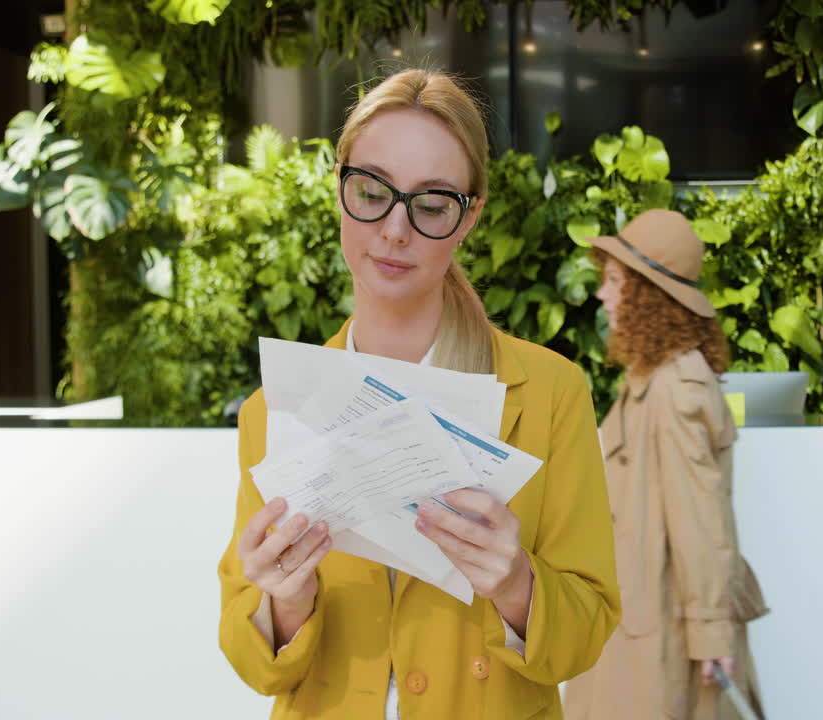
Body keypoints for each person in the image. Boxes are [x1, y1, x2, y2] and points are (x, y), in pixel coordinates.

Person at [217, 68, 620, 720]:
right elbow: (248, 654)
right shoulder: (276, 408)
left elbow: (587, 632)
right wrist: (284, 601)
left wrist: (516, 583)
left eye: (431, 204)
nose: (396, 230)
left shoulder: (548, 394)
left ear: (469, 218)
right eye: (372, 190)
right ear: (341, 190)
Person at [563, 209, 769, 720]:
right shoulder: (651, 382)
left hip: (664, 635)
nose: (602, 295)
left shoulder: (675, 389)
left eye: (614, 282)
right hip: (638, 620)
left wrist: (710, 631)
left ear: (648, 296)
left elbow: (702, 523)